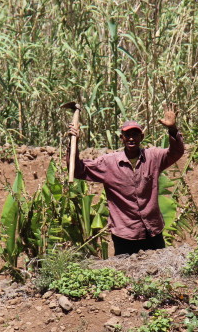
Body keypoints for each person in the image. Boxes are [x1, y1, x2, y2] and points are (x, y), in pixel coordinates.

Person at [67, 105, 185, 255]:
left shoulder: (153, 157)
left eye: (135, 134)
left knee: (159, 273)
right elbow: (78, 169)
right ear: (121, 138)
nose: (131, 138)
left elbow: (176, 152)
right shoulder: (108, 163)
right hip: (125, 234)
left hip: (152, 231)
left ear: (141, 137)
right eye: (127, 135)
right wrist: (73, 142)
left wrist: (173, 129)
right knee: (126, 274)